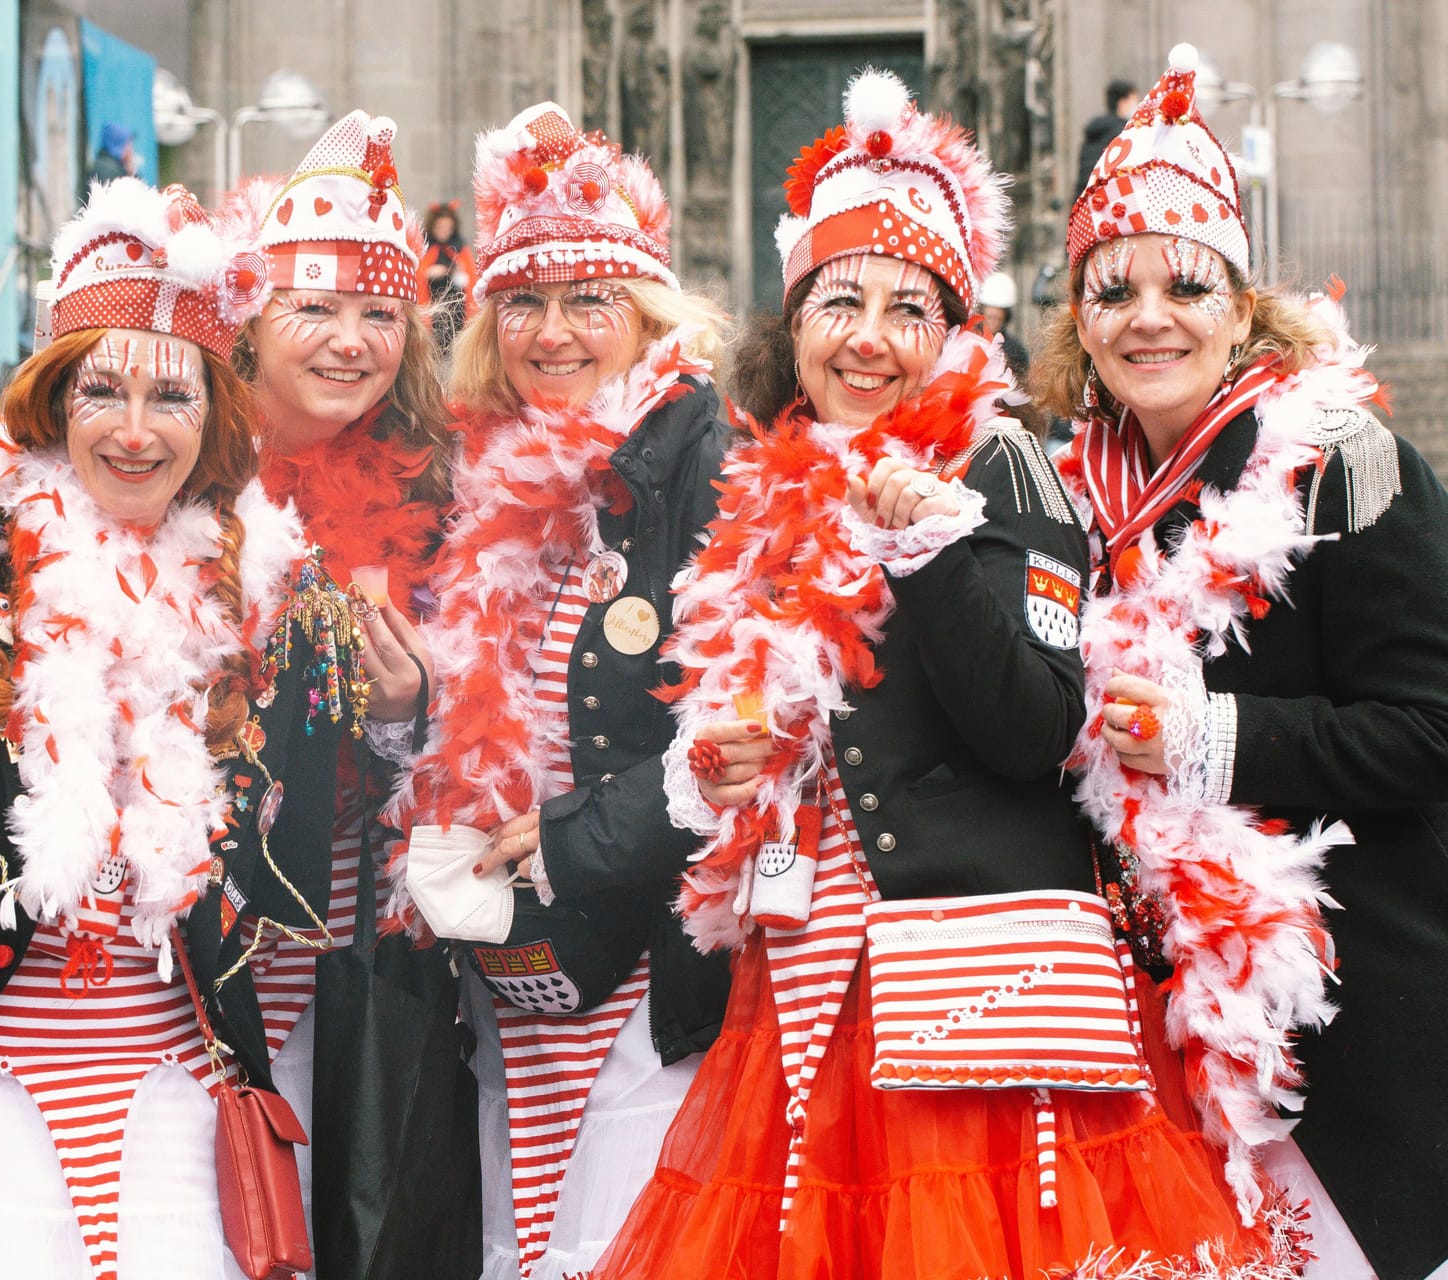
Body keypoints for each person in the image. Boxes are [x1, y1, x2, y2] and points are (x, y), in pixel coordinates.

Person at [595, 68, 1306, 1279]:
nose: (869, 338)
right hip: (805, 981)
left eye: (908, 309)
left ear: (953, 333)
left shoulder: (1007, 472)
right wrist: (720, 762)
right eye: (839, 301)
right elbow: (761, 719)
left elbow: (1034, 731)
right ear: (793, 321)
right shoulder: (767, 490)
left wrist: (926, 552)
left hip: (972, 994)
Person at [0, 177, 363, 1280]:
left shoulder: (280, 598)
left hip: (177, 1088)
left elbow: (301, 873)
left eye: (172, 398)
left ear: (215, 415)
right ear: (50, 399)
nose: (136, 433)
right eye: (103, 392)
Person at [1041, 46, 1448, 1280]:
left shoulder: (1337, 462)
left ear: (1241, 300)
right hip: (1147, 1039)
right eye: (1114, 289)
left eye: (1187, 284)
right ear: (1079, 317)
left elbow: (1431, 730)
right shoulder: (1062, 501)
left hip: (1343, 1020)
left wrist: (1217, 736)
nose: (1149, 316)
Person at [383, 102, 734, 1280]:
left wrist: (577, 837)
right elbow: (454, 697)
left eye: (592, 299)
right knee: (525, 1229)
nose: (555, 330)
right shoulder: (472, 467)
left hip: (651, 939)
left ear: (646, 310)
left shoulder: (699, 447)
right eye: (525, 300)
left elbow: (742, 714)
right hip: (516, 947)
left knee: (626, 1237)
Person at [232, 110, 478, 1279]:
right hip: (189, 947)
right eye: (314, 309)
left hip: (351, 947)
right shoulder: (170, 450)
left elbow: (460, 749)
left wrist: (402, 713)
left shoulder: (439, 488)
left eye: (380, 313)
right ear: (251, 321)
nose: (350, 342)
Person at [418, 200, 479, 354]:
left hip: (457, 312)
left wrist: (458, 272)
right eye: (440, 227)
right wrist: (428, 273)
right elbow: (417, 276)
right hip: (432, 310)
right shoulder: (424, 247)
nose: (444, 231)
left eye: (448, 227)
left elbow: (472, 279)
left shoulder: (460, 248)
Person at [1074, 78, 1136, 205]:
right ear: (1123, 102)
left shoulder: (1094, 132)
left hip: (1085, 200)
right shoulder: (1124, 133)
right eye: (1134, 101)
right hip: (1109, 203)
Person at [978, 267, 1030, 381]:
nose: (993, 315)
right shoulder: (968, 343)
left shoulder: (1016, 351)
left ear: (1006, 315)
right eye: (990, 310)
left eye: (998, 311)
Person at [86, 120, 137, 187]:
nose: (131, 150)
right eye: (128, 145)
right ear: (119, 145)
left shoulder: (110, 166)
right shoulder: (108, 170)